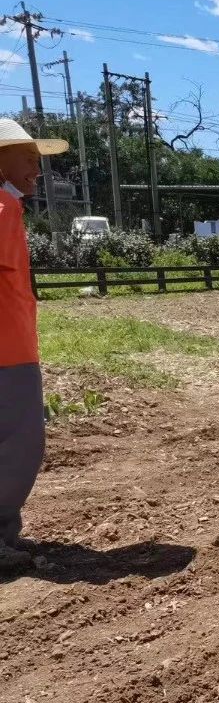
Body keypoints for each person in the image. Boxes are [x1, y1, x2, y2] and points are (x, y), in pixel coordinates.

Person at [0, 119, 68, 572]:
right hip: (8, 351)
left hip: (13, 344)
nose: (36, 170)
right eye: (28, 158)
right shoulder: (3, 209)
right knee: (19, 443)